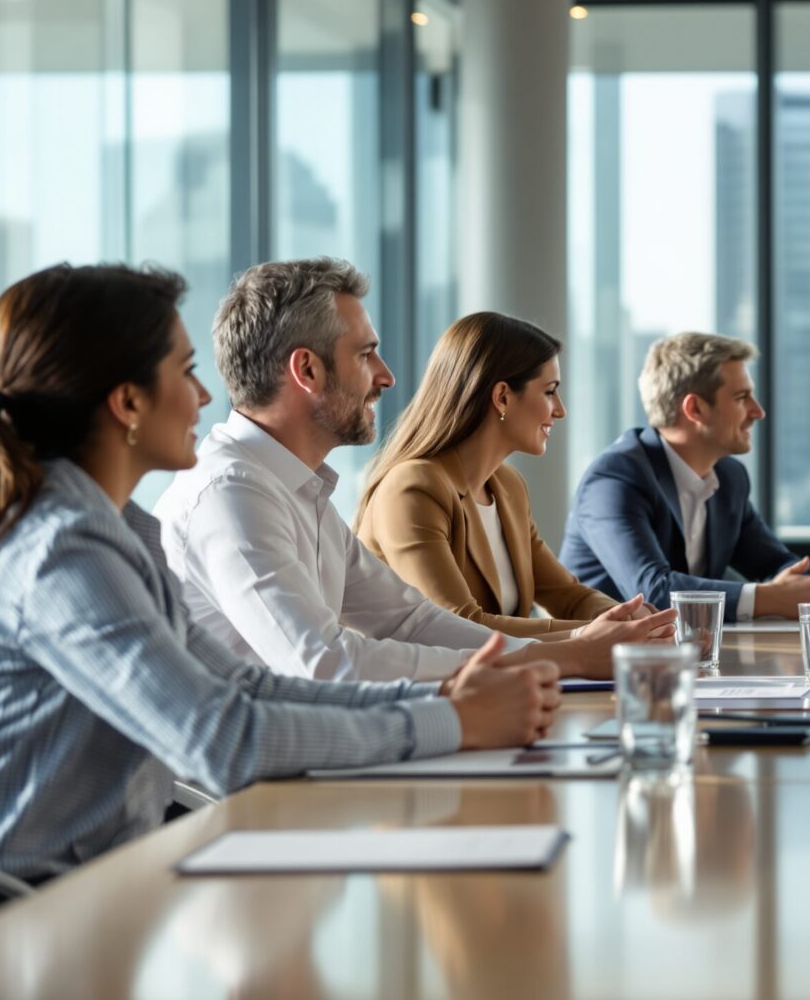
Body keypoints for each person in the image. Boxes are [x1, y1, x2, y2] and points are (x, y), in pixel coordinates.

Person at [0, 264, 558, 885]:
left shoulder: (119, 531)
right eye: (185, 370)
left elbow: (248, 688)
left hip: (102, 887)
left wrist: (448, 704)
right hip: (26, 916)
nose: (202, 395)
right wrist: (453, 720)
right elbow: (224, 739)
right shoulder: (62, 549)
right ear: (128, 402)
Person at [154, 258, 634, 682]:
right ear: (307, 371)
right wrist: (561, 658)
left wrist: (564, 651)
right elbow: (326, 664)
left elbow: (412, 622)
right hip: (260, 780)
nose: (386, 376)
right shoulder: (232, 493)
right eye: (365, 355)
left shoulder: (296, 485)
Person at [353, 312, 677, 643]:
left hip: (498, 682)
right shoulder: (412, 488)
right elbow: (455, 625)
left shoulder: (507, 486)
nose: (560, 409)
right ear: (503, 397)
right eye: (550, 391)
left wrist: (628, 619)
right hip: (419, 689)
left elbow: (568, 596)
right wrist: (591, 634)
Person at [560, 332, 810, 621]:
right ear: (695, 408)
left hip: (684, 652)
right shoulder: (615, 478)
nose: (758, 412)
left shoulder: (729, 476)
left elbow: (772, 562)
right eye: (741, 397)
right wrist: (770, 598)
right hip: (599, 657)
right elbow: (652, 591)